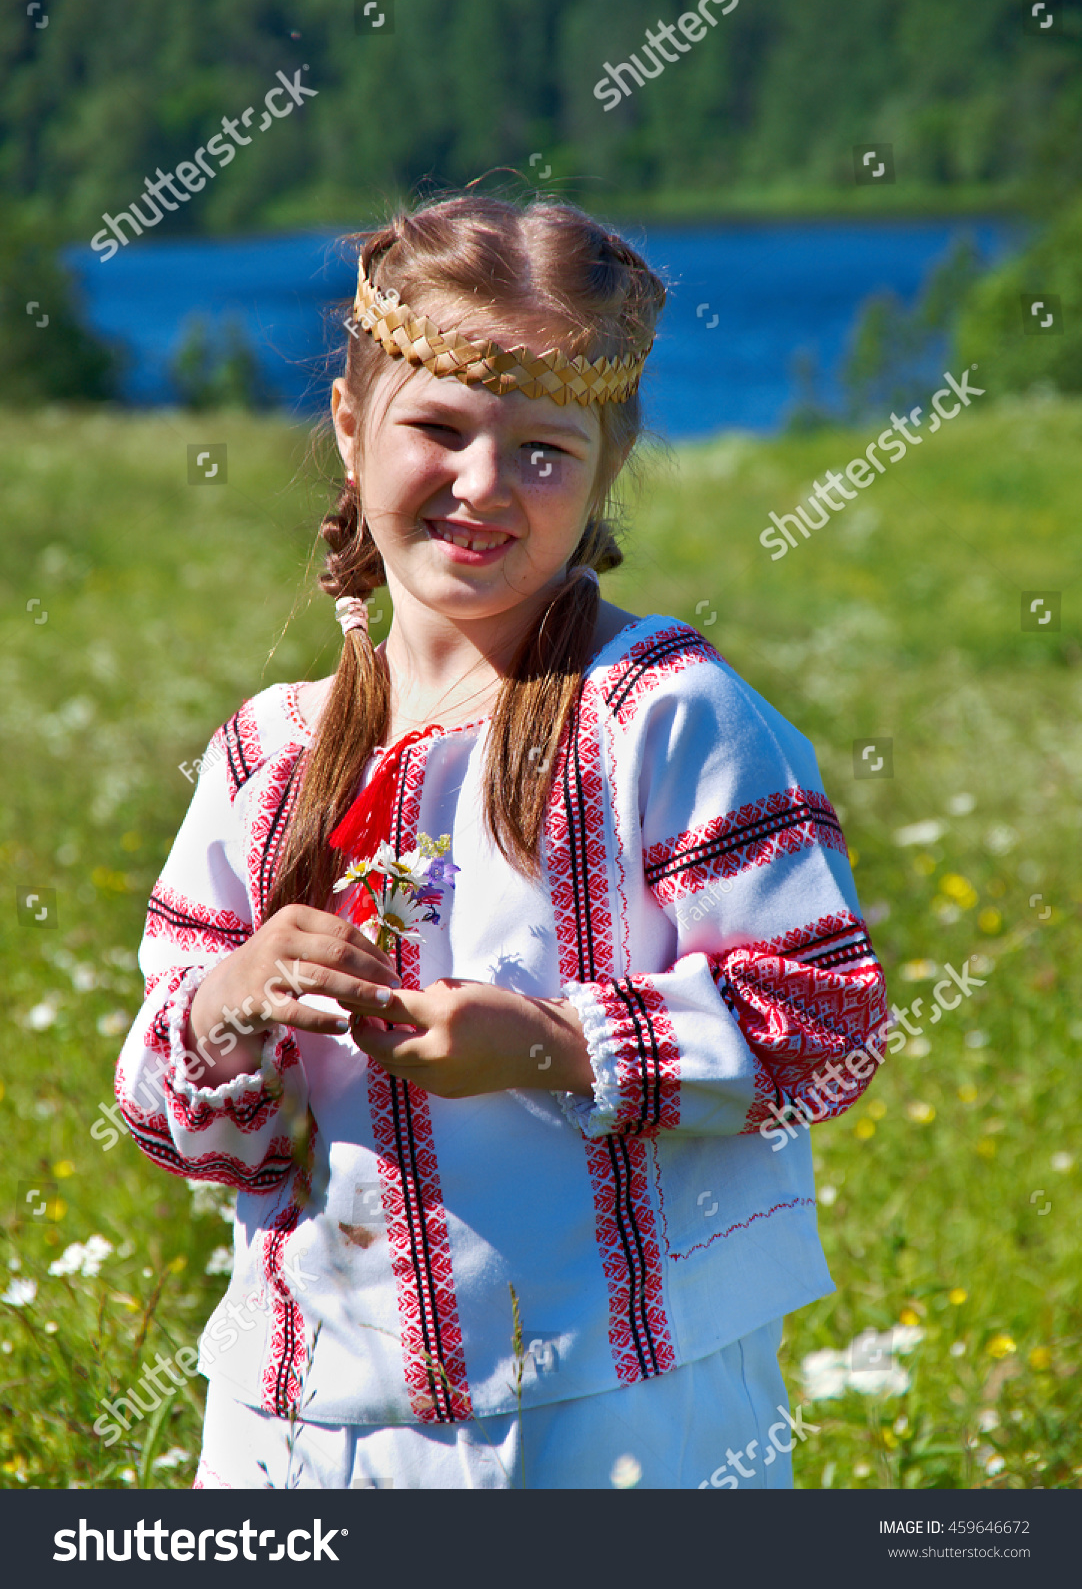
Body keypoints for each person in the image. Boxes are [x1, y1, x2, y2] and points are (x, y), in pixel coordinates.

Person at [115, 192, 889, 1490]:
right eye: (437, 428)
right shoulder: (267, 753)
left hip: (613, 1414)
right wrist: (230, 1004)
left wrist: (547, 1044)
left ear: (604, 468)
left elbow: (821, 1021)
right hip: (304, 1428)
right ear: (352, 428)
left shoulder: (659, 712)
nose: (483, 485)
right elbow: (175, 1124)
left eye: (541, 450)